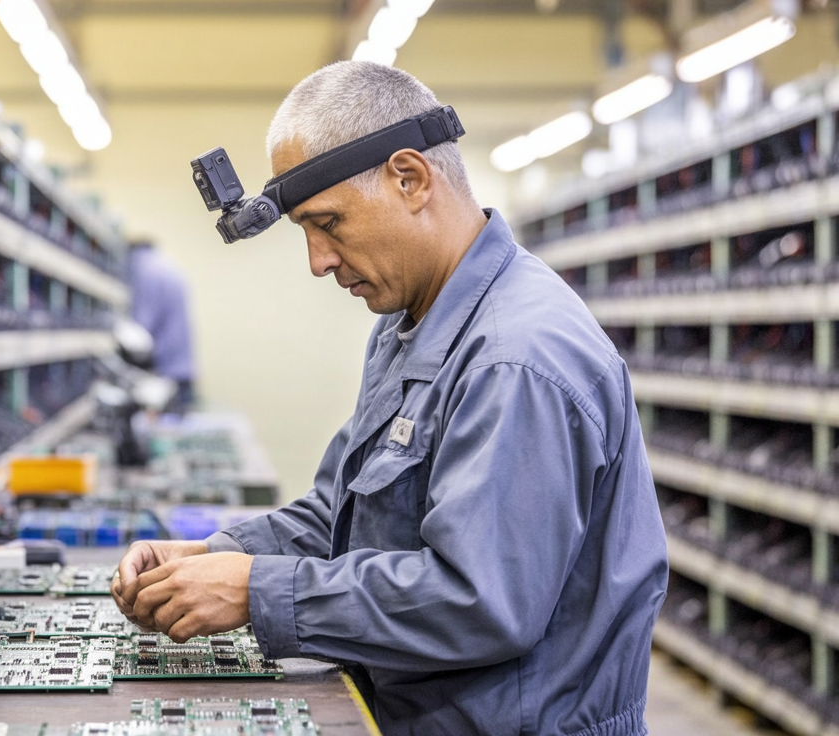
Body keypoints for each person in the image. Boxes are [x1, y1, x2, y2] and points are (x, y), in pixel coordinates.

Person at [111, 61, 668, 736]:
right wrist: (214, 556)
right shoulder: (411, 326)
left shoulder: (517, 357)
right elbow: (342, 514)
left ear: (410, 179)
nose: (317, 261)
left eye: (330, 224)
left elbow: (481, 603)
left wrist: (255, 592)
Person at [128, 240, 196, 410]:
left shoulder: (144, 270)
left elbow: (142, 328)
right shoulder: (165, 266)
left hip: (166, 376)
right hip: (182, 370)